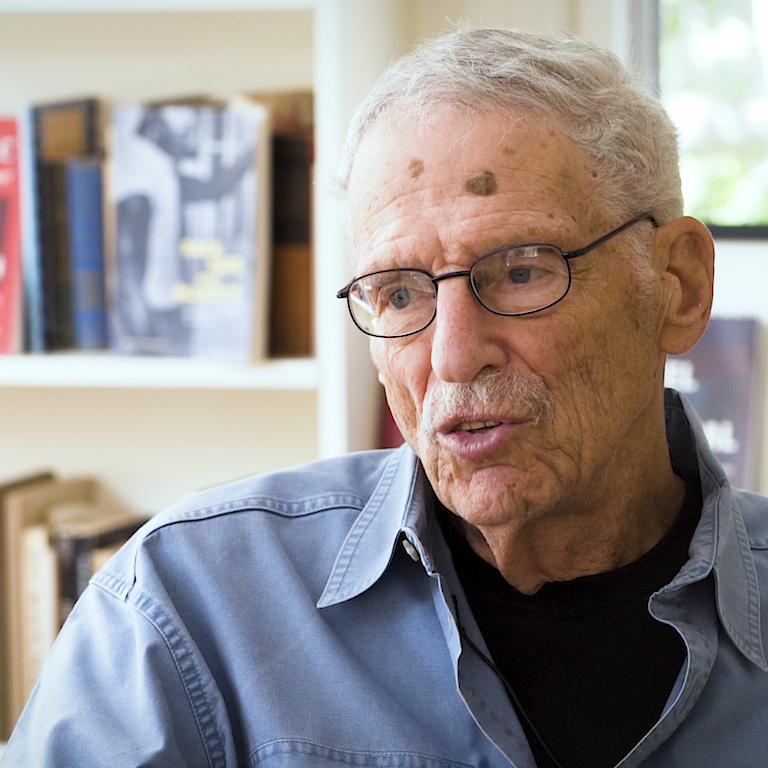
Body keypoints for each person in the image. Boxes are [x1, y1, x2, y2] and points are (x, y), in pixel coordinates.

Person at [3, 27, 767, 768]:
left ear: (678, 287)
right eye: (399, 293)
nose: (454, 355)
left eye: (523, 271)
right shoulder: (184, 612)